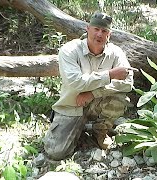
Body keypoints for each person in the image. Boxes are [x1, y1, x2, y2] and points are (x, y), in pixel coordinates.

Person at [43, 12, 134, 160]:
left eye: (104, 31)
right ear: (87, 29)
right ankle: (78, 126)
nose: (99, 34)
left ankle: (100, 131)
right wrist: (110, 75)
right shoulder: (69, 50)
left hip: (97, 102)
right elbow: (76, 82)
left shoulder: (116, 53)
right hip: (72, 105)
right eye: (96, 29)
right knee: (56, 152)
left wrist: (93, 94)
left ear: (109, 35)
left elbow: (128, 82)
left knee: (120, 99)